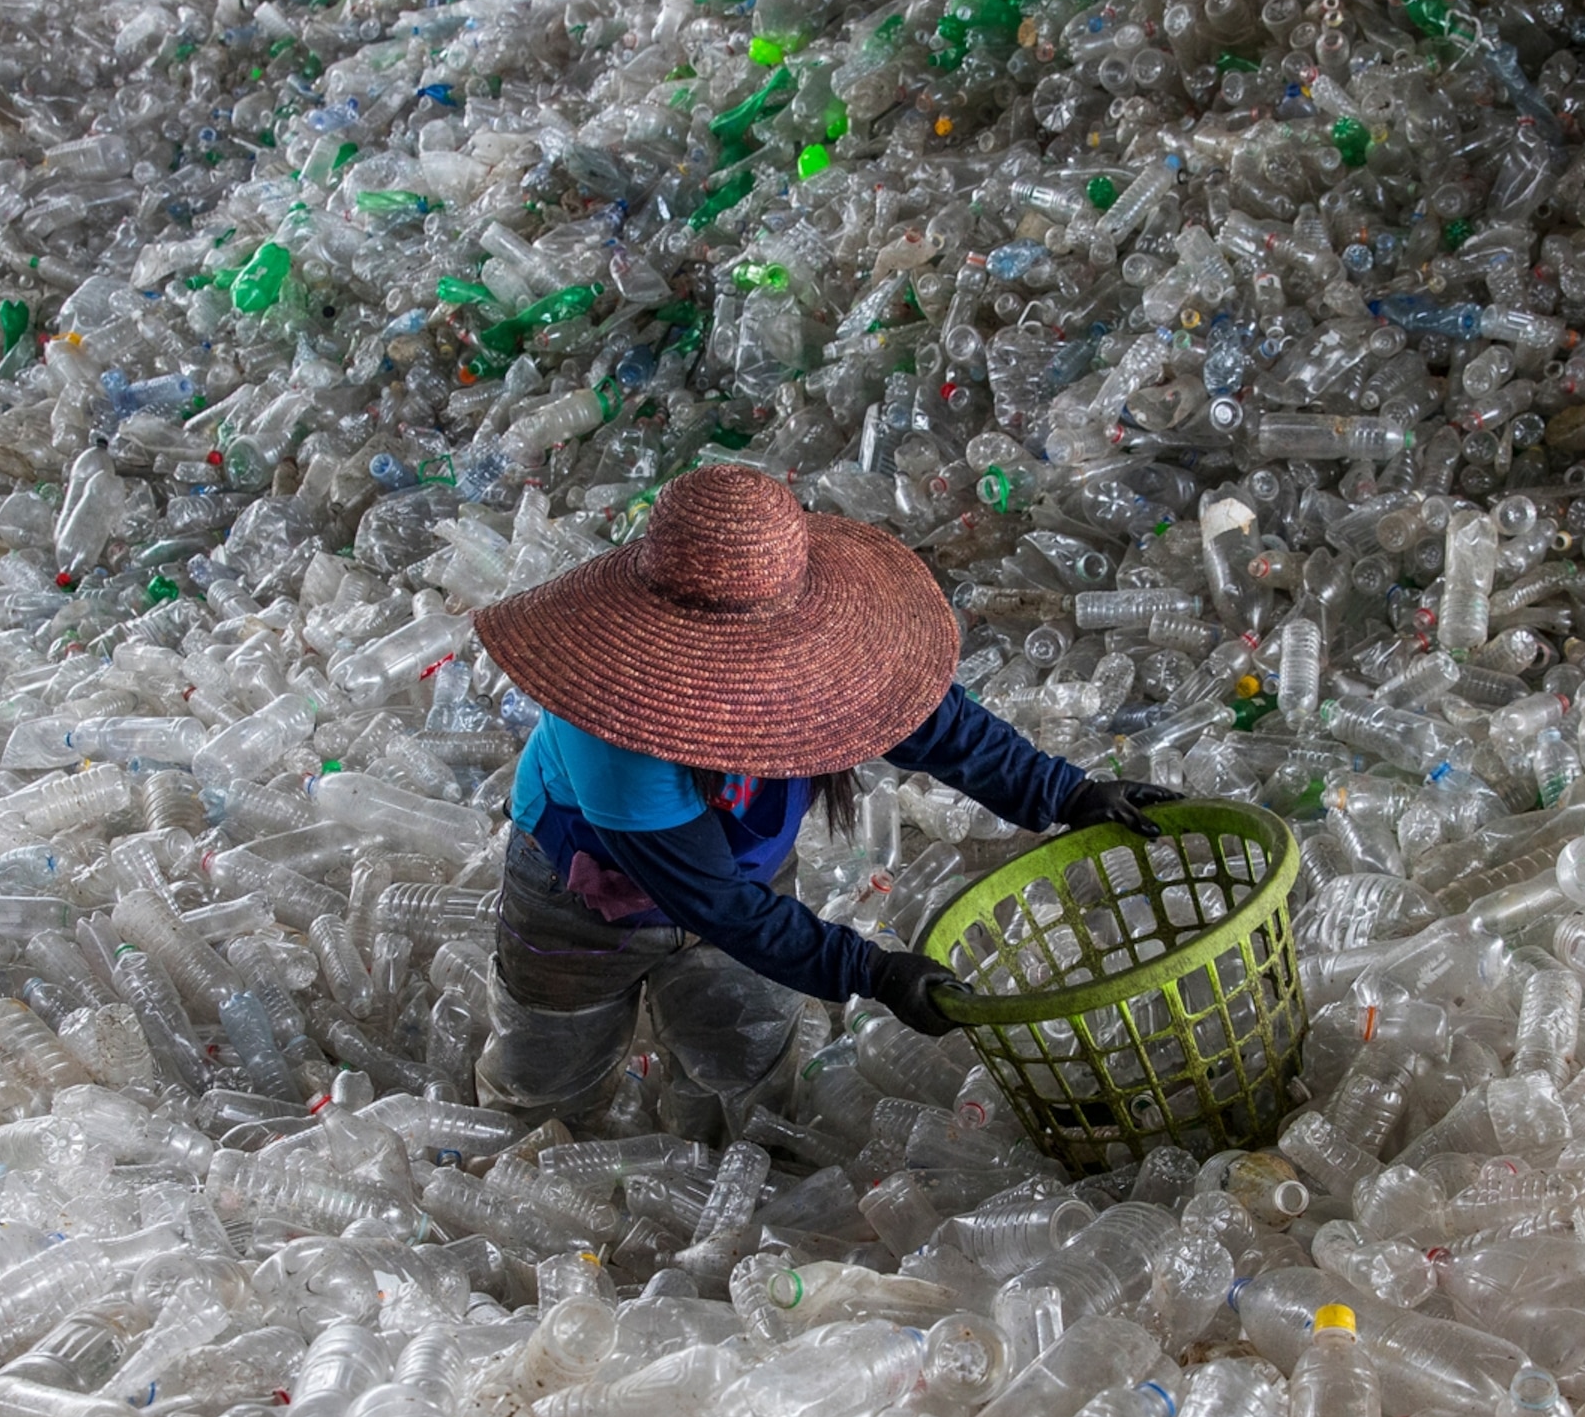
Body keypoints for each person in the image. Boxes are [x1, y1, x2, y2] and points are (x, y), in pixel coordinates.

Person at [470, 464, 1175, 1130]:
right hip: (587, 899)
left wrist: (1069, 794)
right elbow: (717, 905)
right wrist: (867, 970)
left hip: (742, 870)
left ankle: (728, 1190)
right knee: (551, 1075)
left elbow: (939, 726)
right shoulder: (619, 727)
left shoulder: (831, 662)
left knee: (745, 1057)